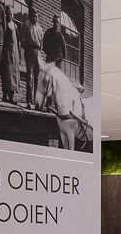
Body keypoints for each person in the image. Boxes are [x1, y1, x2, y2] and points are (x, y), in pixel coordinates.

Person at [33, 18, 89, 149]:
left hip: (57, 60)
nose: (56, 24)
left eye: (58, 23)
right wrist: (50, 55)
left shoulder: (60, 35)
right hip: (50, 59)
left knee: (57, 85)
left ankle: (56, 103)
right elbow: (44, 45)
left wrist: (61, 57)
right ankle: (48, 104)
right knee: (49, 83)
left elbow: (65, 49)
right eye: (55, 22)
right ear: (53, 22)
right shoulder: (48, 33)